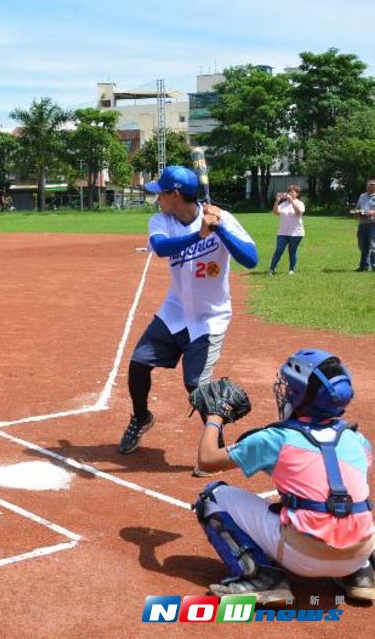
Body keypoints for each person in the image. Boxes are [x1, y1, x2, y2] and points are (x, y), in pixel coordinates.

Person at [192, 349, 374, 604]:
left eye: (289, 386)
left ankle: (261, 578)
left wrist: (215, 417)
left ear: (298, 395)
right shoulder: (358, 440)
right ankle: (361, 575)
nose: (284, 389)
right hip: (359, 550)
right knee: (351, 504)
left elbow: (207, 459)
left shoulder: (276, 439)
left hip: (303, 558)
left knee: (212, 496)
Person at [119, 165, 258, 462]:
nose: (157, 199)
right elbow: (161, 248)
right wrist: (199, 234)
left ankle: (216, 450)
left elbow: (251, 259)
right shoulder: (161, 221)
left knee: (196, 386)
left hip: (210, 317)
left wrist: (219, 229)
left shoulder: (223, 219)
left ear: (176, 195)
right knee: (138, 363)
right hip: (176, 310)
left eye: (162, 194)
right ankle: (141, 417)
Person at [268, 185, 305, 275]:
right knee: (279, 250)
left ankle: (292, 269)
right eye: (289, 192)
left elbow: (298, 212)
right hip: (282, 232)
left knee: (292, 251)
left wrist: (292, 201)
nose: (290, 193)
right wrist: (277, 202)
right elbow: (275, 212)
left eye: (293, 192)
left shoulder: (300, 203)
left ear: (297, 194)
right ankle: (271, 269)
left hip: (296, 232)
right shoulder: (283, 204)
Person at [352, 178, 375, 272]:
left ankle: (374, 266)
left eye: (372, 184)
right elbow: (358, 208)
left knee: (373, 246)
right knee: (362, 246)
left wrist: (371, 212)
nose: (369, 186)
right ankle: (363, 267)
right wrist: (356, 212)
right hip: (362, 224)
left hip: (373, 224)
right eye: (368, 184)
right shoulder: (362, 196)